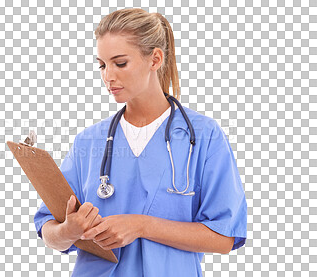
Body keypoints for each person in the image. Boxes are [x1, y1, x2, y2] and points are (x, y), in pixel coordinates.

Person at [34, 8, 247, 276]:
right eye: (102, 64)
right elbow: (49, 230)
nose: (108, 76)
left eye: (120, 63)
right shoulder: (89, 142)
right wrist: (68, 230)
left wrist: (141, 225)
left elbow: (224, 237)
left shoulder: (203, 136)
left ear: (155, 59)